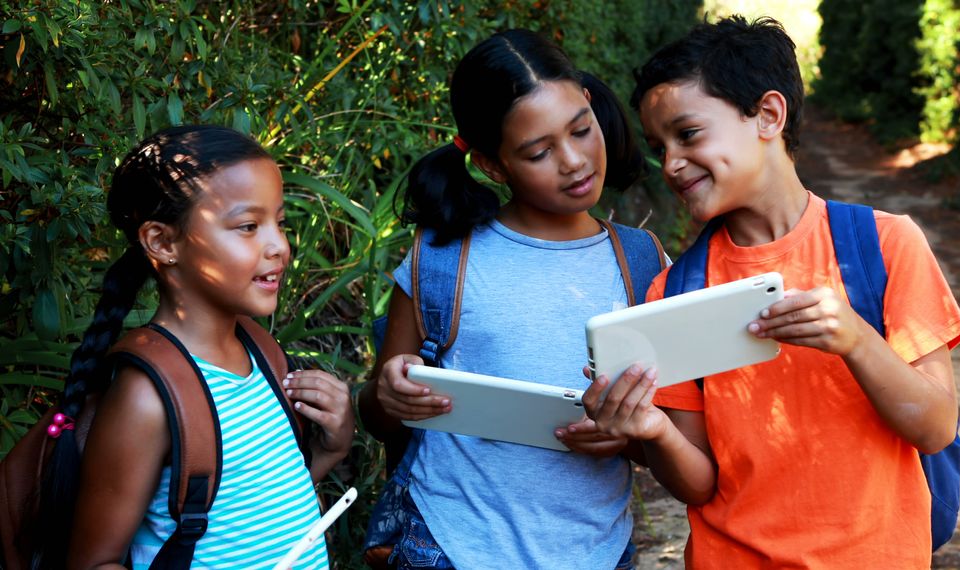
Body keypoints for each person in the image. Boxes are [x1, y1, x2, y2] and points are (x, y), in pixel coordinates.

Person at [582, 16, 960, 568]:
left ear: (768, 115)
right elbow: (699, 484)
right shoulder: (674, 291)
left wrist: (857, 341)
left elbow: (934, 427)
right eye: (659, 145)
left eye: (688, 134)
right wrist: (653, 432)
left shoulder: (884, 244)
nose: (670, 163)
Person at [357, 29, 662, 570]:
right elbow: (381, 415)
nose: (573, 161)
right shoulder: (443, 260)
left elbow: (672, 432)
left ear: (591, 104)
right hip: (449, 545)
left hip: (597, 550)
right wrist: (390, 394)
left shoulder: (641, 262)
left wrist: (625, 436)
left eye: (581, 130)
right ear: (493, 166)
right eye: (539, 151)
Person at [33, 125, 353, 569]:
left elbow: (249, 516)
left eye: (279, 223)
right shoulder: (147, 398)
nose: (279, 246)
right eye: (248, 226)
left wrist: (330, 449)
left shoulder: (262, 354)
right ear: (162, 243)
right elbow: (93, 562)